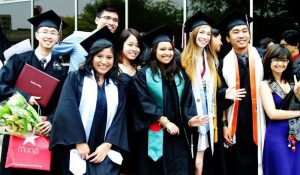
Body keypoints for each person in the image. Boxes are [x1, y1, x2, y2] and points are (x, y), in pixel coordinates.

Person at [50, 26, 128, 175]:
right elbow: (67, 110)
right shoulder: (75, 78)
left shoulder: (117, 85)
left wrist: (107, 144)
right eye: (99, 56)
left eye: (109, 57)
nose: (104, 61)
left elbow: (120, 118)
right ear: (91, 57)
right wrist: (79, 141)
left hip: (104, 152)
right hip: (76, 149)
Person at [0, 10, 68, 175]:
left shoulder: (61, 69)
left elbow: (63, 102)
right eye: (44, 31)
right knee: (16, 167)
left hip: (44, 130)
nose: (49, 36)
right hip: (17, 125)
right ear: (36, 34)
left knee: (41, 167)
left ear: (58, 38)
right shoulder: (19, 60)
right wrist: (25, 97)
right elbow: (2, 85)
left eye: (53, 33)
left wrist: (51, 121)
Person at [131, 24, 196, 175]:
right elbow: (142, 103)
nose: (167, 53)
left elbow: (187, 100)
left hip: (177, 136)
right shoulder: (143, 75)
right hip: (153, 135)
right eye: (162, 49)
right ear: (154, 51)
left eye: (170, 49)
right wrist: (164, 121)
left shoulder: (181, 74)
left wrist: (191, 119)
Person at [216, 10, 266, 175]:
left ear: (249, 35)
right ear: (228, 38)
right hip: (236, 122)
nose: (241, 35)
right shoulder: (223, 63)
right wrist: (223, 125)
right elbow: (218, 93)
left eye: (245, 31)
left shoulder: (263, 57)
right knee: (238, 166)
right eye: (236, 32)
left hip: (261, 119)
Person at [180, 10, 219, 175]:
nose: (205, 36)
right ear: (193, 34)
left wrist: (226, 94)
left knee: (199, 162)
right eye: (201, 32)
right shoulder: (181, 60)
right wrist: (189, 118)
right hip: (189, 120)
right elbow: (178, 95)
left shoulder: (213, 61)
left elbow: (216, 92)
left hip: (206, 119)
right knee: (190, 163)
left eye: (208, 33)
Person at [260, 44, 300, 175]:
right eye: (276, 59)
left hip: (296, 134)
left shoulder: (293, 82)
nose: (280, 63)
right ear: (269, 61)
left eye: (284, 60)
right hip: (277, 136)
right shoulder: (265, 84)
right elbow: (272, 114)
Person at [52, 3, 119, 72]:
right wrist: (59, 72)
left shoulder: (115, 46)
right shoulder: (78, 37)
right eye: (107, 18)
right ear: (97, 20)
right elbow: (50, 52)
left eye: (115, 20)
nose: (111, 22)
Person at [117, 28, 143, 175]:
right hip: (120, 124)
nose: (134, 49)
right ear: (121, 44)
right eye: (130, 44)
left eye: (137, 45)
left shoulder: (139, 69)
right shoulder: (114, 68)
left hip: (137, 125)